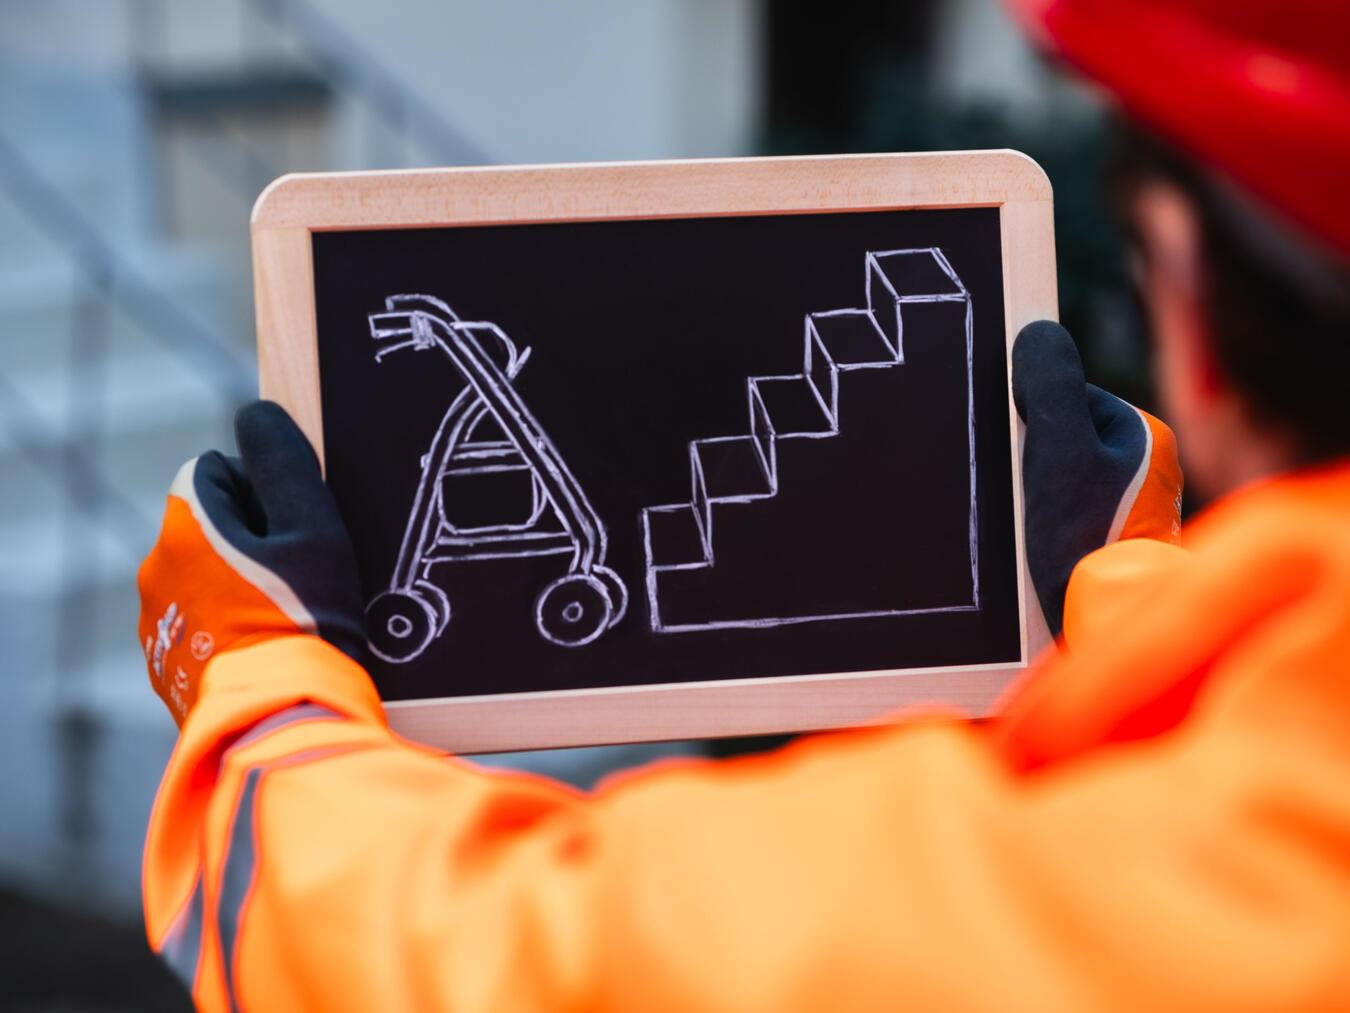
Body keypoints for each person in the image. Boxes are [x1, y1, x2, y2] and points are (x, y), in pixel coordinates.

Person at [136, 0, 1350, 1007]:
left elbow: (463, 955)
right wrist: (1133, 592)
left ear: (1185, 286)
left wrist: (260, 693)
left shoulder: (1051, 911)